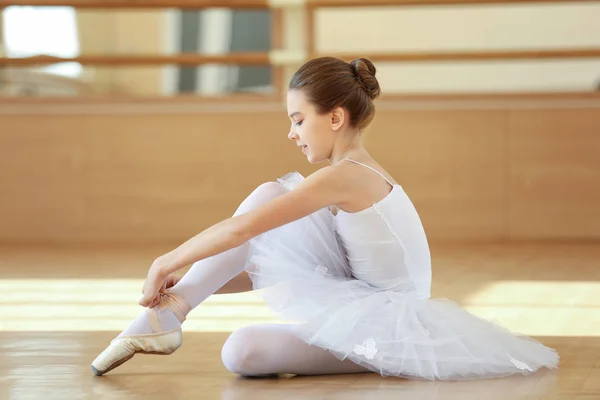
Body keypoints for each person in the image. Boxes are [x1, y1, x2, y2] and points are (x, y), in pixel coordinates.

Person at [91, 57, 559, 380]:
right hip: (361, 301)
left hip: (391, 327)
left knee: (241, 349)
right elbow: (259, 261)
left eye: (298, 119)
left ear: (335, 118)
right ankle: (167, 317)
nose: (290, 133)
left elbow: (242, 230)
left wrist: (164, 261)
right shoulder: (344, 177)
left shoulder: (348, 177)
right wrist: (187, 283)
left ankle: (166, 320)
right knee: (268, 194)